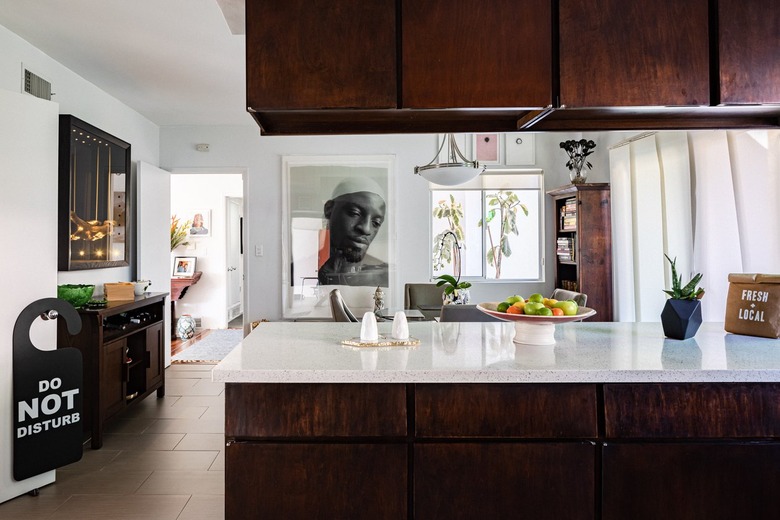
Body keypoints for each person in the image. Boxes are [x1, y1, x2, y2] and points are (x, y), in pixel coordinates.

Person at [317, 177, 388, 287]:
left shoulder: (384, 276)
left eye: (376, 223)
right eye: (355, 213)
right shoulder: (300, 269)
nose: (366, 229)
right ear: (329, 209)